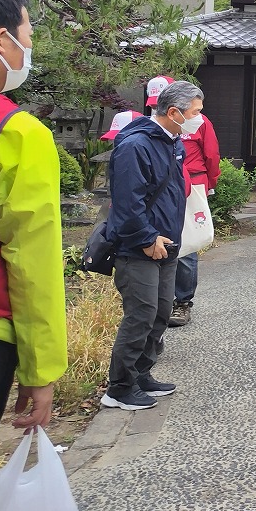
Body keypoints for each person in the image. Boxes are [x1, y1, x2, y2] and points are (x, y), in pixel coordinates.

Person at [102, 80, 202, 411]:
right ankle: (119, 387)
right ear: (174, 112)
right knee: (141, 314)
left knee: (160, 312)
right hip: (139, 246)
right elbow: (127, 200)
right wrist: (146, 237)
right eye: (195, 112)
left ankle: (142, 374)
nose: (199, 119)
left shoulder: (172, 142)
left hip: (167, 242)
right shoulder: (136, 145)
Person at [0, 0, 66, 429]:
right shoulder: (18, 134)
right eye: (28, 35)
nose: (28, 47)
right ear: (2, 39)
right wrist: (40, 370)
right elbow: (32, 257)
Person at [169, 98, 220, 328]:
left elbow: (211, 154)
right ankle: (161, 300)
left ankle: (182, 301)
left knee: (187, 240)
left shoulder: (200, 122)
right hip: (166, 184)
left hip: (194, 183)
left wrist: (211, 182)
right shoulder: (154, 123)